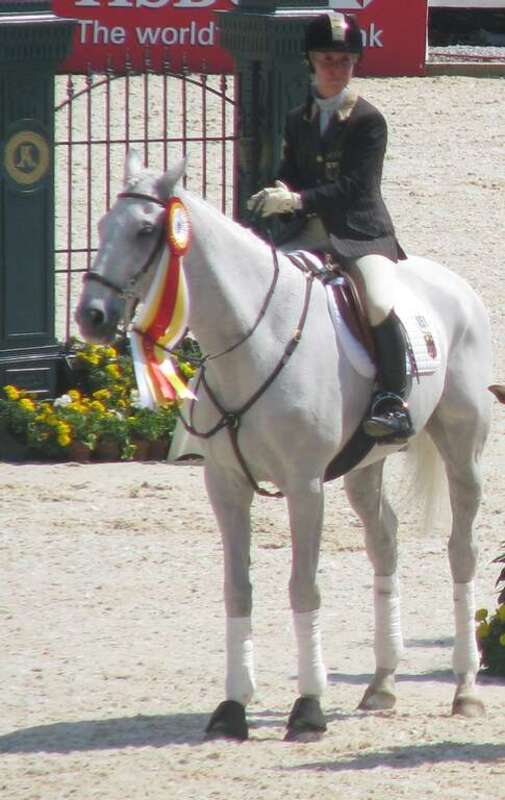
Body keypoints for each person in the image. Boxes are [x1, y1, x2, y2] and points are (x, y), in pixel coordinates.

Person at [247, 10, 413, 442]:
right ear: (311, 61)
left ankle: (392, 400)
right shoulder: (296, 118)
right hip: (307, 233)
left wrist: (298, 199)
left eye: (344, 61)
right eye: (327, 60)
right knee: (262, 291)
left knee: (377, 302)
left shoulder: (368, 120)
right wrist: (278, 192)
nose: (335, 69)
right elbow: (290, 173)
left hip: (360, 235)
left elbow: (356, 186)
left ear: (355, 64)